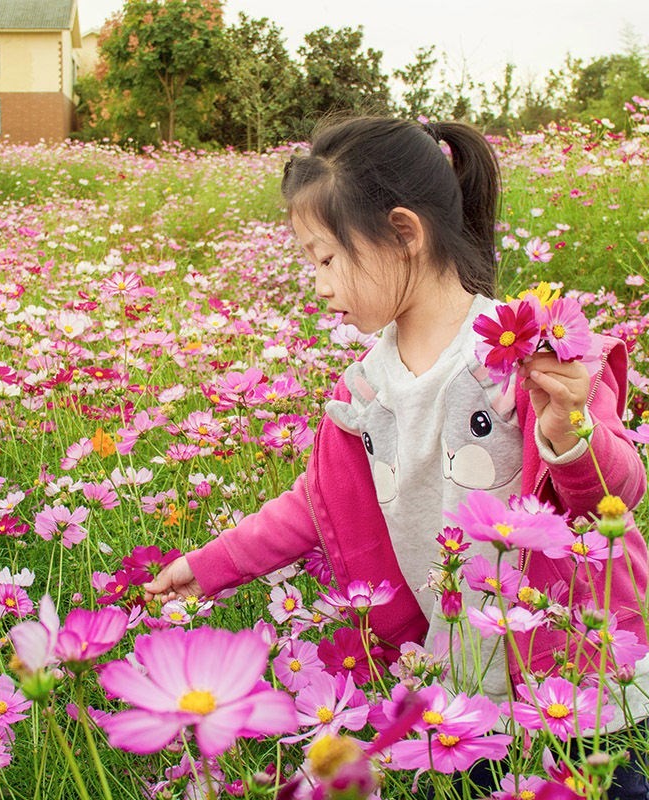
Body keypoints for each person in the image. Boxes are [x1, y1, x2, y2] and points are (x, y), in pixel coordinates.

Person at [143, 117, 649, 796]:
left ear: (404, 234)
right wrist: (207, 567)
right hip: (463, 694)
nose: (318, 284)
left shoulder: (526, 354)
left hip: (583, 686)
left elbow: (613, 497)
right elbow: (311, 504)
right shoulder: (365, 392)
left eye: (326, 258)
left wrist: (568, 428)